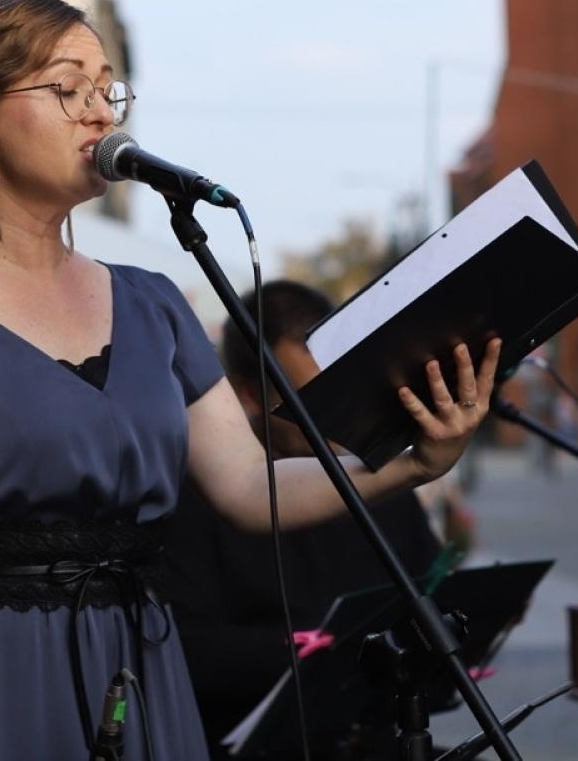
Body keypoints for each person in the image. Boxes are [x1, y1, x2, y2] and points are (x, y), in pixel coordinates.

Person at [0, 0, 498, 761]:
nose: (100, 112)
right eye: (67, 89)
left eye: (107, 88)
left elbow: (247, 486)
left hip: (136, 664)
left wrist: (407, 463)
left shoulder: (153, 303)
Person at [160, 280, 442, 759]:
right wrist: (320, 648)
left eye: (346, 382)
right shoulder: (196, 496)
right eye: (313, 395)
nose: (339, 412)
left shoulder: (377, 479)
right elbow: (186, 649)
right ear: (250, 394)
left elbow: (432, 581)